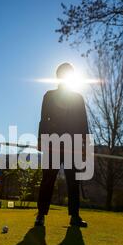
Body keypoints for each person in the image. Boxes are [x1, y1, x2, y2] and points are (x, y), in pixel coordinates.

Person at [35, 62, 88, 227]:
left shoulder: (78, 98)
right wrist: (41, 140)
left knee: (73, 181)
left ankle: (75, 216)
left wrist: (84, 145)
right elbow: (44, 120)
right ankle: (41, 215)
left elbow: (83, 123)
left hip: (74, 145)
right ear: (58, 76)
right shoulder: (49, 96)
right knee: (48, 179)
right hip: (53, 144)